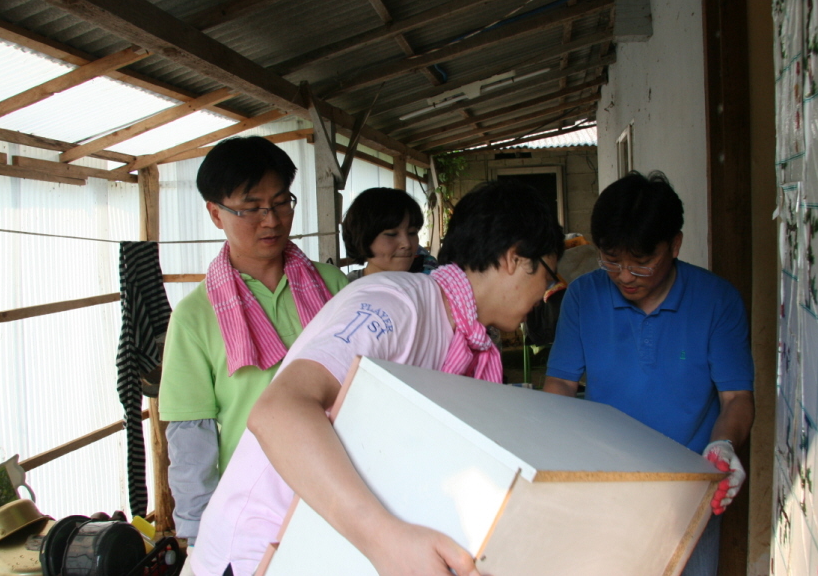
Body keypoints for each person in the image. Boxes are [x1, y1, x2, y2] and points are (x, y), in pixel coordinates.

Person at [188, 180, 564, 576]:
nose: (544, 294)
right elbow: (278, 411)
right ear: (514, 259)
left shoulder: (468, 339)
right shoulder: (395, 306)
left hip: (323, 546)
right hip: (261, 551)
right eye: (549, 276)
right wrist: (385, 539)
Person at [543, 171, 755, 576]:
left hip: (689, 493)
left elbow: (737, 398)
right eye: (612, 260)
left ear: (674, 245)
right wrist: (553, 454)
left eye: (641, 263)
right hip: (605, 487)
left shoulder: (717, 301)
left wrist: (723, 445)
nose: (624, 275)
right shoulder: (584, 297)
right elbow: (561, 385)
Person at [158, 136, 348, 545]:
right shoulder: (195, 316)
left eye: (281, 203)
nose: (272, 220)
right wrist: (197, 535)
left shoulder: (333, 286)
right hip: (254, 512)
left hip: (343, 492)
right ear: (215, 213)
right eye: (251, 208)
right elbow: (192, 441)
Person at [341, 187, 438, 281]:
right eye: (391, 234)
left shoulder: (432, 284)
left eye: (412, 233)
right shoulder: (342, 290)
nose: (407, 244)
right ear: (362, 238)